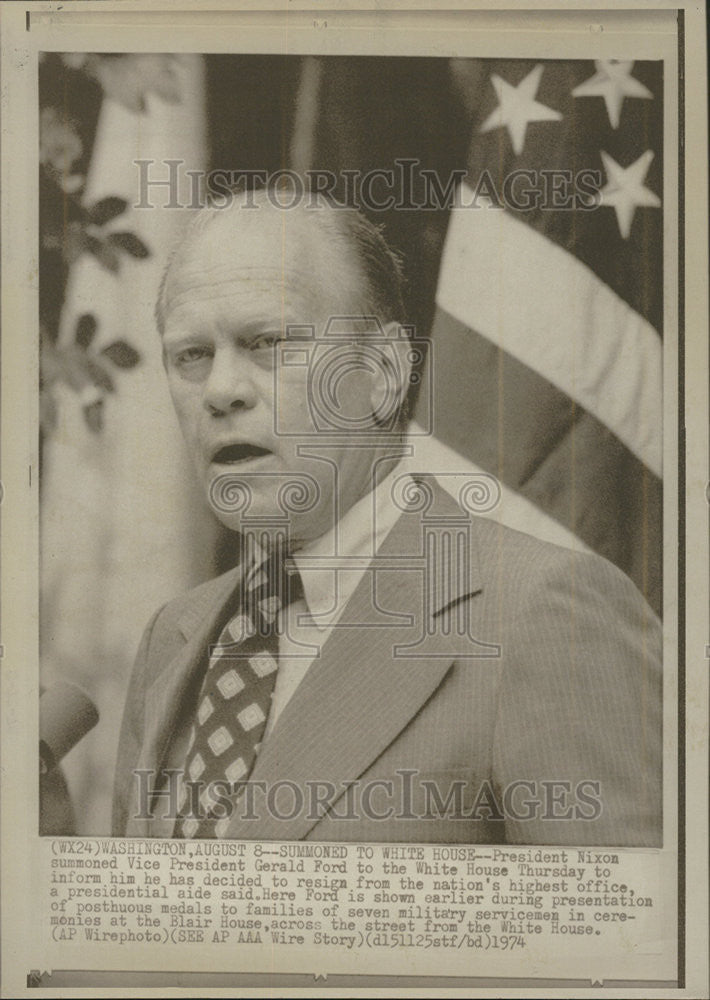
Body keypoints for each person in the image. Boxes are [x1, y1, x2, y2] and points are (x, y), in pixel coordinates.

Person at [112, 187, 662, 845]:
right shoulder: (176, 635)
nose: (221, 392)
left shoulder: (546, 614)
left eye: (267, 342)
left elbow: (622, 938)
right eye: (191, 356)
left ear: (384, 371)